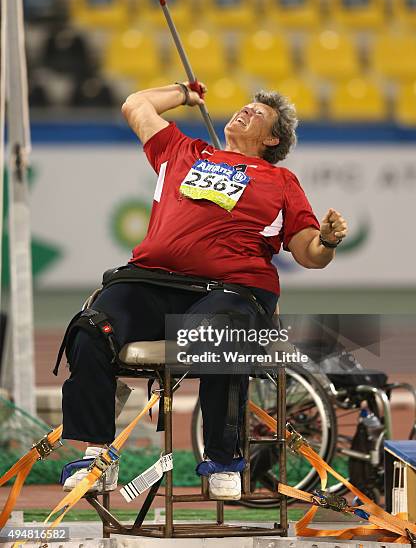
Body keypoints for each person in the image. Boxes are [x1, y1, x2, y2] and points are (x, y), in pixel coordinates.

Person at [58, 81, 348, 500]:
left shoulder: (280, 180)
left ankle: (223, 459)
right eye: (244, 107)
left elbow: (309, 253)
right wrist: (183, 92)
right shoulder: (184, 151)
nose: (245, 112)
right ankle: (100, 455)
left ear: (272, 139)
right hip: (150, 281)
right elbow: (135, 104)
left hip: (232, 290)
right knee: (90, 326)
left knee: (224, 332)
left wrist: (328, 240)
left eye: (258, 114)